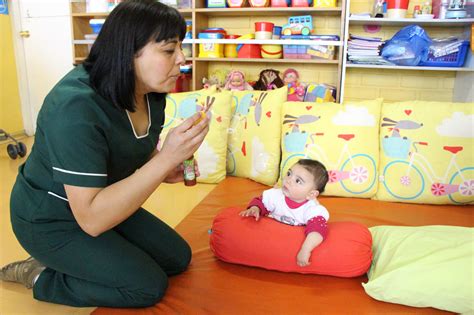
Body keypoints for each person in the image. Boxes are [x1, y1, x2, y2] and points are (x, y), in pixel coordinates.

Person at [0, 0, 209, 308]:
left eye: (181, 46)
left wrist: (164, 167)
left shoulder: (152, 94)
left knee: (177, 258)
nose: (182, 58)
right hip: (51, 218)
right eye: (169, 50)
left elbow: (135, 156)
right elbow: (92, 220)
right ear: (128, 52)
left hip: (102, 199)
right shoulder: (75, 108)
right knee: (146, 287)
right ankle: (41, 274)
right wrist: (166, 159)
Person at [239, 159, 329, 267]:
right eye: (289, 174)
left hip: (291, 242)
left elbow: (318, 230)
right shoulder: (276, 196)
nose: (288, 180)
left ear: (311, 194)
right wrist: (255, 208)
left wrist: (306, 249)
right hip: (272, 238)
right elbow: (261, 202)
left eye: (298, 181)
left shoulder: (312, 209)